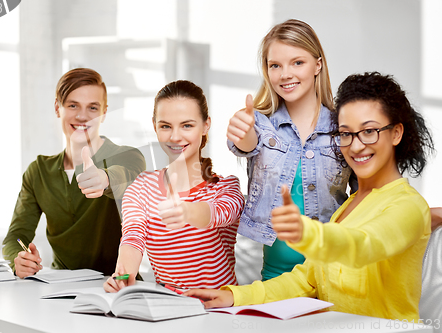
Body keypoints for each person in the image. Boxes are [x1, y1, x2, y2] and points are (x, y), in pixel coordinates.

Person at [186, 72, 434, 321]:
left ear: (396, 133)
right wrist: (233, 297)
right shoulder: (348, 207)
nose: (356, 146)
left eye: (369, 131)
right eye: (346, 134)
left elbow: (364, 245)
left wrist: (305, 232)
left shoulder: (408, 205)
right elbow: (306, 279)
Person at [226, 19, 356, 280]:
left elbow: (366, 193)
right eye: (275, 65)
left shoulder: (344, 128)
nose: (285, 74)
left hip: (333, 272)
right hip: (276, 276)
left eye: (297, 62)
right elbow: (248, 143)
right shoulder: (260, 124)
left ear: (317, 65)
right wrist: (242, 133)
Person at [3, 68, 146, 278]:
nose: (82, 116)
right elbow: (15, 236)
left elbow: (126, 177)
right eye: (72, 105)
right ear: (57, 108)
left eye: (93, 108)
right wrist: (18, 258)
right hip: (59, 289)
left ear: (104, 112)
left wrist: (105, 179)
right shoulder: (39, 172)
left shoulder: (128, 157)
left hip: (117, 289)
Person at [104, 80, 244, 292]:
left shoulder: (225, 187)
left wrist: (187, 211)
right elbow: (133, 236)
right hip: (168, 310)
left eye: (187, 125)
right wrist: (123, 275)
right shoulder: (141, 188)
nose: (175, 137)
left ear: (206, 125)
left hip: (220, 313)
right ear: (155, 126)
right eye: (165, 126)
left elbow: (221, 213)